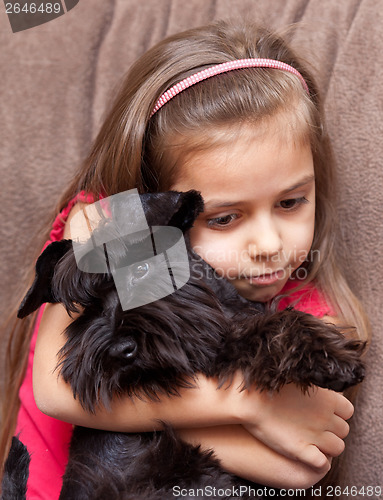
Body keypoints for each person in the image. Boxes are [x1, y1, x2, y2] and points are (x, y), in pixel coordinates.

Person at [1, 20, 370, 499]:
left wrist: (162, 413)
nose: (268, 243)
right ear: (157, 207)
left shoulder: (303, 312)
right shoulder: (127, 236)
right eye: (224, 218)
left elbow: (298, 468)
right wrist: (248, 406)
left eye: (290, 202)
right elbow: (57, 390)